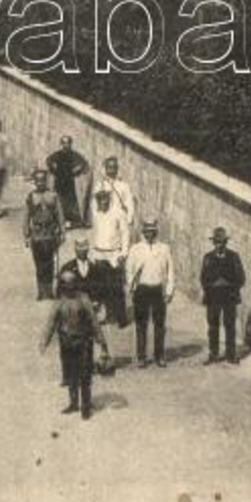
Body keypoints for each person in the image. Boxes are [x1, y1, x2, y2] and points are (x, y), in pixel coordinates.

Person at [39, 268, 109, 420]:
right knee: (70, 375)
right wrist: (44, 341)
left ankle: (85, 406)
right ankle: (73, 403)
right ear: (63, 286)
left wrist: (102, 343)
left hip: (83, 342)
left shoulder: (84, 300)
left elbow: (94, 322)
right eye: (66, 284)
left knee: (85, 375)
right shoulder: (59, 302)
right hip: (67, 343)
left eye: (71, 283)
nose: (68, 287)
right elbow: (51, 323)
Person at [125, 217, 175, 367]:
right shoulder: (135, 249)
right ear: (143, 232)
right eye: (147, 232)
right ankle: (141, 357)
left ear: (156, 232)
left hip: (158, 289)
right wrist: (132, 287)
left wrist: (169, 291)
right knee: (141, 324)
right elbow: (129, 270)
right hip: (142, 289)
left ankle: (159, 356)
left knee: (159, 324)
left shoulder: (164, 248)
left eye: (152, 232)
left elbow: (170, 271)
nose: (150, 235)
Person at [200, 226, 246, 364]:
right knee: (213, 325)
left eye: (221, 242)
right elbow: (203, 277)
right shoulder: (208, 258)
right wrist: (211, 286)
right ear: (213, 243)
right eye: (216, 242)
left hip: (229, 296)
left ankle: (230, 355)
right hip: (213, 296)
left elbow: (241, 278)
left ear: (225, 243)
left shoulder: (233, 257)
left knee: (229, 325)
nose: (219, 245)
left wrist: (229, 285)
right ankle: (213, 354)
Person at [87, 187, 130, 328]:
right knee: (103, 287)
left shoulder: (118, 213)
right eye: (100, 201)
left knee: (117, 287)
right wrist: (92, 253)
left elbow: (125, 234)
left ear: (109, 200)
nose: (102, 203)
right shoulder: (96, 213)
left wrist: (123, 254)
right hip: (100, 254)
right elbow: (94, 233)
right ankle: (109, 315)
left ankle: (121, 317)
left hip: (114, 254)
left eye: (105, 200)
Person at [22, 170, 66, 300]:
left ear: (46, 181)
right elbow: (26, 217)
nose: (40, 183)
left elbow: (60, 214)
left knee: (50, 263)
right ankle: (41, 290)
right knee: (39, 264)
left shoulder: (53, 195)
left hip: (50, 234)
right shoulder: (31, 197)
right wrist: (26, 235)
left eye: (43, 180)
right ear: (34, 182)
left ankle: (49, 289)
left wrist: (62, 231)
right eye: (38, 180)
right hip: (36, 235)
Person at [47, 135, 91, 227]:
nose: (65, 145)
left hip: (70, 184)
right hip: (59, 183)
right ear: (61, 144)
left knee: (70, 202)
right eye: (63, 143)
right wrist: (53, 168)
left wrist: (77, 170)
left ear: (70, 144)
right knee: (58, 202)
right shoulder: (57, 155)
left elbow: (83, 163)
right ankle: (57, 221)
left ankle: (72, 222)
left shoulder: (74, 155)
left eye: (67, 143)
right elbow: (49, 161)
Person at [96, 156, 137, 224]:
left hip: (120, 219)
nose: (111, 170)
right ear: (106, 168)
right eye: (109, 167)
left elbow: (129, 202)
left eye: (114, 167)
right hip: (105, 220)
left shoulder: (123, 186)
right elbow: (95, 205)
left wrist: (129, 218)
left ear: (117, 169)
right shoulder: (100, 185)